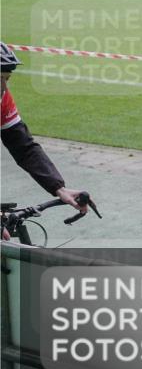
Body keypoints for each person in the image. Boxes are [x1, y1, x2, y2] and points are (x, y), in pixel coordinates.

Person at [1, 42, 88, 238]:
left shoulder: (3, 99)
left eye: (7, 78)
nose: (4, 87)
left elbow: (24, 147)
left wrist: (58, 188)